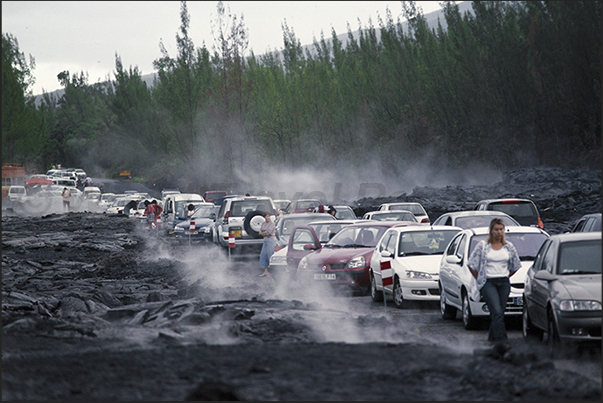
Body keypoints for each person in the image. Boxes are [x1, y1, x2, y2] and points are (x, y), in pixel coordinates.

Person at [467, 218, 521, 354]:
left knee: (499, 313)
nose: (499, 232)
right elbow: (472, 264)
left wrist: (506, 276)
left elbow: (516, 265)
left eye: (501, 229)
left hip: (503, 282)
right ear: (491, 231)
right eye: (496, 229)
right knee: (496, 311)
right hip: (488, 282)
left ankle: (492, 338)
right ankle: (502, 341)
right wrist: (480, 279)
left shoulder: (509, 247)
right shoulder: (483, 246)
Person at [258, 211, 276, 277]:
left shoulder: (272, 224)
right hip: (265, 241)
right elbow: (260, 232)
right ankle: (266, 271)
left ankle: (273, 271)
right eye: (266, 216)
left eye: (269, 216)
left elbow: (268, 232)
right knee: (263, 255)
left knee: (270, 255)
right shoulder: (263, 224)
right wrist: (263, 233)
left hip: (271, 241)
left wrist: (264, 233)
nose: (268, 218)